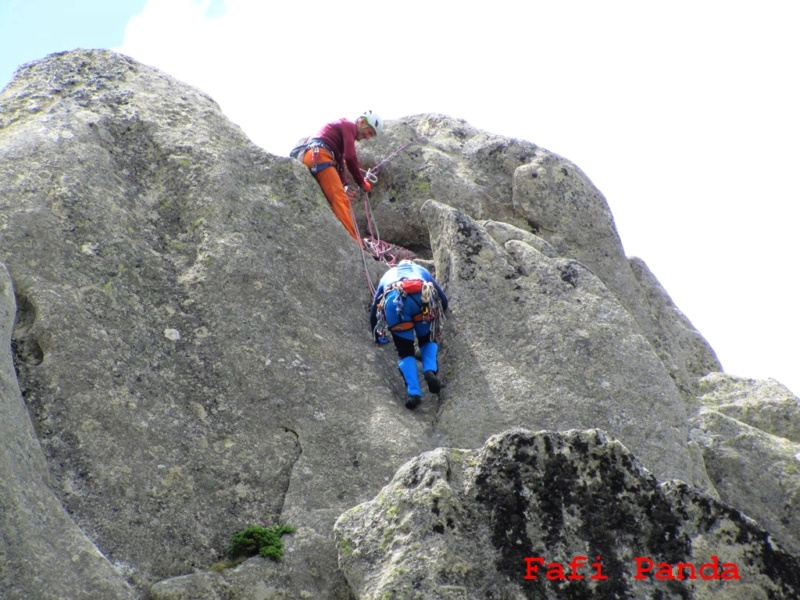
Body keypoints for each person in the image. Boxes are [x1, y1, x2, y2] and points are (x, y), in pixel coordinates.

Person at [369, 260, 449, 409]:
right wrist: (439, 311)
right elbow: (442, 299)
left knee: (405, 352)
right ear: (411, 263)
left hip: (394, 301)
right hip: (422, 298)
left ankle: (414, 393)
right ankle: (429, 370)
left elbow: (375, 308)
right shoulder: (420, 270)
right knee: (426, 340)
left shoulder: (388, 274)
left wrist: (376, 333)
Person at [300, 111, 383, 244]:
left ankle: (354, 239)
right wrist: (361, 182)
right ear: (362, 122)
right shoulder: (349, 125)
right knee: (340, 199)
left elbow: (340, 161)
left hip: (319, 156)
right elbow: (350, 157)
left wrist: (345, 184)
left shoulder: (343, 131)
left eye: (371, 135)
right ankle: (355, 243)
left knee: (341, 196)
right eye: (368, 132)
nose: (367, 137)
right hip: (320, 155)